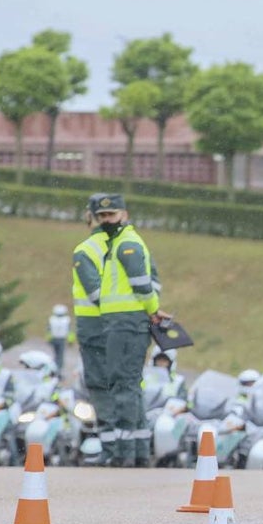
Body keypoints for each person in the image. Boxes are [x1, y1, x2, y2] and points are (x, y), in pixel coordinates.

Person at [93, 192, 170, 467]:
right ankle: (137, 449)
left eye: (111, 215)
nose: (106, 220)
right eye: (102, 216)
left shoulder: (127, 244)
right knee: (129, 382)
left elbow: (142, 285)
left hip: (127, 322)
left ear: (123, 214)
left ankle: (125, 451)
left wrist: (152, 310)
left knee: (122, 382)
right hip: (124, 321)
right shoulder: (121, 242)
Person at [71, 195, 115, 462]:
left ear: (91, 217)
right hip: (127, 327)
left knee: (100, 386)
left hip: (96, 328)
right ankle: (131, 449)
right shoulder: (129, 244)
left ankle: (111, 449)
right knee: (126, 385)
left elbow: (95, 293)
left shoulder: (86, 249)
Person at [47, 304, 73, 376]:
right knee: (60, 356)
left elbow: (48, 330)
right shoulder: (67, 320)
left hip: (54, 339)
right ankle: (59, 372)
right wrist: (71, 340)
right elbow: (70, 331)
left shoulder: (51, 319)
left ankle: (54, 370)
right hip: (62, 339)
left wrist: (49, 339)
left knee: (55, 355)